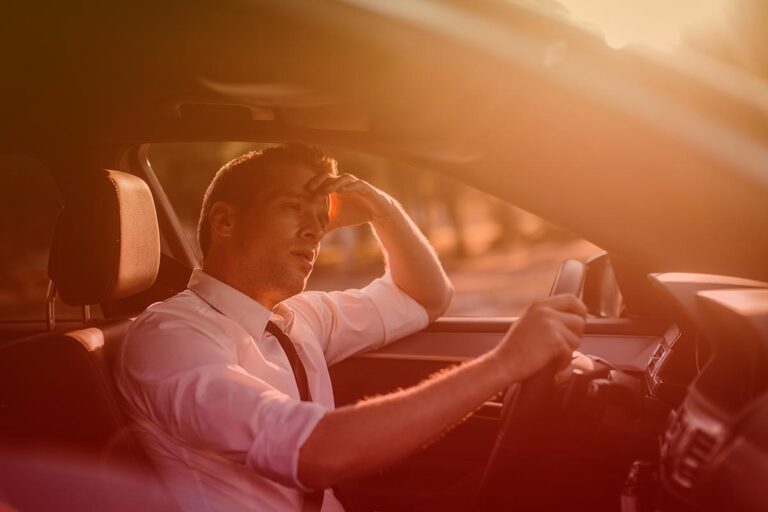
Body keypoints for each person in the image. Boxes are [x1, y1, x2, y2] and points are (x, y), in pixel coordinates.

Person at [115, 145, 587, 512]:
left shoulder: (298, 317)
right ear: (224, 220)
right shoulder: (170, 337)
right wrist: (505, 364)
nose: (314, 231)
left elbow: (426, 297)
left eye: (321, 220)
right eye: (293, 208)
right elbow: (316, 453)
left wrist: (384, 211)